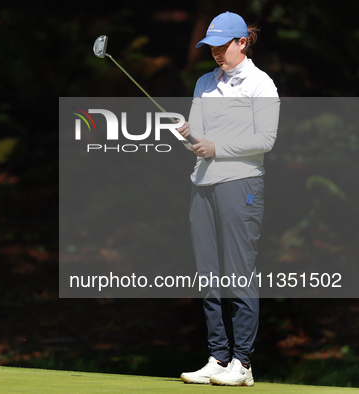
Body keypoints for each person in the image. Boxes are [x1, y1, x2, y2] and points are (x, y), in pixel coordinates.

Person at [177, 11, 280, 386]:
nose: (216, 54)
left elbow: (265, 139)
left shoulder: (260, 84)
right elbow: (198, 137)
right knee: (208, 274)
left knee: (239, 272)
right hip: (202, 184)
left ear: (242, 42)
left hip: (242, 184)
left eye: (223, 46)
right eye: (211, 48)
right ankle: (218, 358)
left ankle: (243, 364)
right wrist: (187, 134)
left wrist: (216, 146)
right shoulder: (205, 82)